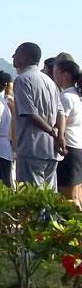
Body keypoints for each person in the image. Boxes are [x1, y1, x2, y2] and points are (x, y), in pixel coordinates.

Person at [12, 42, 65, 188]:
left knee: (31, 199)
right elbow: (60, 112)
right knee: (48, 198)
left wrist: (52, 132)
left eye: (16, 54)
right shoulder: (49, 81)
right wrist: (59, 135)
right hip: (51, 150)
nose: (13, 57)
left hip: (32, 148)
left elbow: (30, 113)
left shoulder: (23, 80)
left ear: (23, 57)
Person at [54, 60, 81, 207]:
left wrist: (59, 138)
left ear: (64, 74)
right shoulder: (78, 95)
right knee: (77, 194)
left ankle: (71, 229)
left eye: (56, 72)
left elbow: (61, 121)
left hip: (68, 147)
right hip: (78, 147)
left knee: (68, 198)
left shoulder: (66, 97)